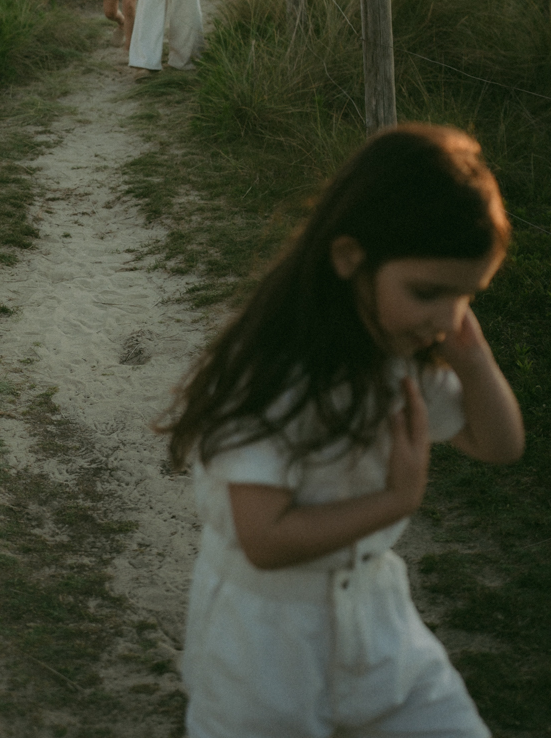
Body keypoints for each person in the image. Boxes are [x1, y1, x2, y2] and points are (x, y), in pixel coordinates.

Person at [164, 124, 524, 738]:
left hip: (378, 622)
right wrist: (395, 501)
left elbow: (500, 444)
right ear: (349, 256)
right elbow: (265, 538)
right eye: (428, 291)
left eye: (467, 296)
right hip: (263, 643)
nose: (446, 318)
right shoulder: (274, 371)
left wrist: (472, 354)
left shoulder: (401, 350)